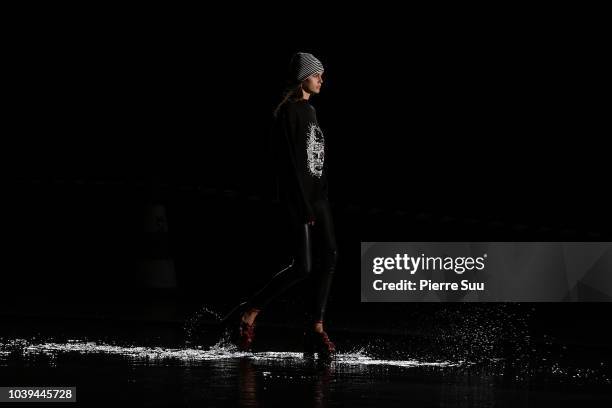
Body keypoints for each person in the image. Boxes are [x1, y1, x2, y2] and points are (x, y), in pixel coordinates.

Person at [221, 52, 338, 359]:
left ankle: (316, 328)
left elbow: (315, 158)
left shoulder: (311, 110)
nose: (321, 80)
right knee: (303, 266)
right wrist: (302, 203)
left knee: (330, 255)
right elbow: (289, 164)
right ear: (304, 78)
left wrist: (321, 194)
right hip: (298, 197)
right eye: (316, 75)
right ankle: (250, 312)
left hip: (318, 196)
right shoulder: (289, 113)